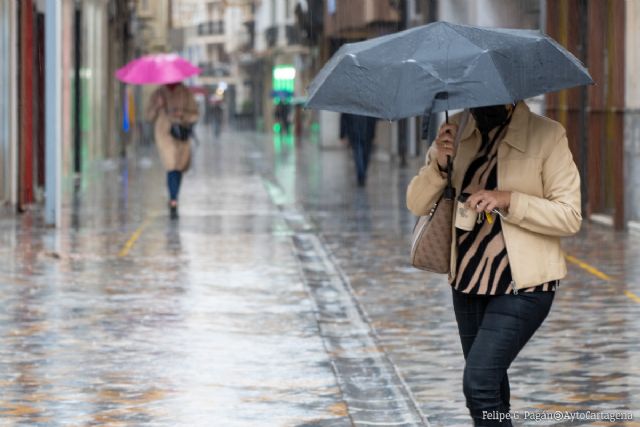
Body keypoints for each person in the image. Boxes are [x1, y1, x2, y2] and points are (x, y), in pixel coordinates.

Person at [406, 101, 581, 426]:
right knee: (490, 389)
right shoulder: (454, 132)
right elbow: (416, 202)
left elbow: (569, 216)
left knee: (479, 383)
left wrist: (508, 199)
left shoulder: (547, 134)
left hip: (525, 284)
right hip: (468, 281)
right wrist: (439, 167)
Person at [145, 81, 199, 219]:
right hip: (164, 132)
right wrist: (158, 106)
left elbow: (195, 114)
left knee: (179, 166)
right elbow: (148, 117)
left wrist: (183, 115)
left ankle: (174, 197)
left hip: (181, 132)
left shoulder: (186, 93)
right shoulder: (158, 93)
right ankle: (173, 199)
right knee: (171, 163)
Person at [340, 113, 377, 186]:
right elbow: (344, 118)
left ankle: (362, 174)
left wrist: (373, 135)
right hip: (356, 134)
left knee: (364, 155)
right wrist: (342, 134)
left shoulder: (369, 106)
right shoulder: (351, 105)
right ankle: (361, 175)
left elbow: (373, 120)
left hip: (366, 134)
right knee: (359, 154)